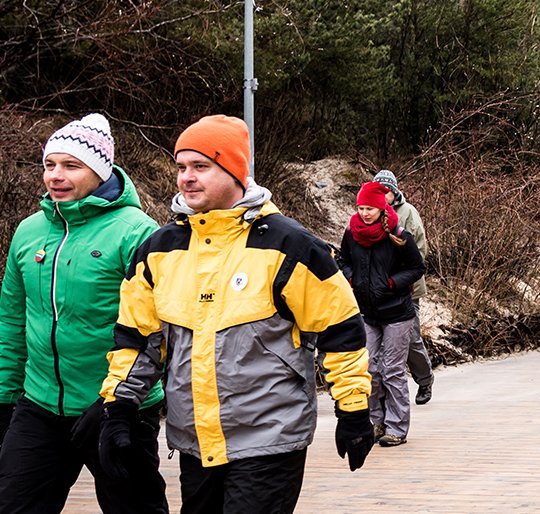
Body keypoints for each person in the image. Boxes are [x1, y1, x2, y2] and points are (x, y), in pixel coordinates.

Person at [91, 115, 374, 512]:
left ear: (235, 170)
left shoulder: (289, 244)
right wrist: (119, 408)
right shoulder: (159, 249)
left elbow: (340, 330)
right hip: (194, 442)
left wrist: (353, 408)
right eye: (181, 167)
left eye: (201, 166)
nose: (187, 177)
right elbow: (137, 341)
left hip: (269, 438)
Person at [0, 114, 168, 513]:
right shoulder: (29, 231)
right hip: (39, 406)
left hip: (116, 410)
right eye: (49, 165)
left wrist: (119, 401)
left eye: (71, 166)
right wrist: (5, 399)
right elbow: (12, 318)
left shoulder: (137, 232)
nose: (56, 176)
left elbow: (158, 329)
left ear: (100, 170)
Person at [338, 182, 426, 447]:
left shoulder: (399, 235)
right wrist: (352, 279)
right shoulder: (351, 233)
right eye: (361, 208)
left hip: (397, 312)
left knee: (392, 370)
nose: (365, 213)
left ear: (381, 208)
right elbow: (343, 261)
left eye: (370, 208)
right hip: (366, 312)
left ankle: (396, 427)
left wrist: (390, 284)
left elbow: (416, 268)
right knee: (369, 369)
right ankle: (376, 423)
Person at [373, 170, 435, 405]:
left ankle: (425, 378)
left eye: (386, 190)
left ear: (394, 191)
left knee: (410, 338)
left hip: (406, 288)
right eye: (379, 190)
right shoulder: (371, 212)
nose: (383, 195)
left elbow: (419, 249)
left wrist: (400, 275)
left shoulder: (408, 213)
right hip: (378, 289)